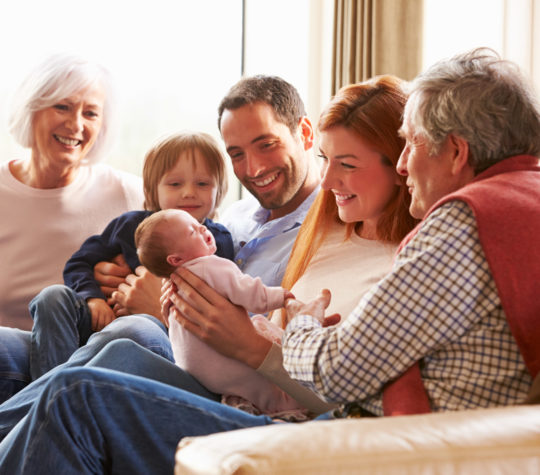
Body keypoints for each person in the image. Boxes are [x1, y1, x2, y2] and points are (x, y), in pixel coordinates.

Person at [0, 73, 423, 473]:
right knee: (85, 352)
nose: (329, 178)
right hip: (211, 362)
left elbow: (346, 390)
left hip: (259, 395)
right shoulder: (268, 223)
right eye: (236, 153)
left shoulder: (394, 261)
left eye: (346, 163)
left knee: (101, 367)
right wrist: (115, 276)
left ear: (402, 164)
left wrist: (190, 322)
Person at [93, 75, 321, 313]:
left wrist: (159, 310)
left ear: (305, 133)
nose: (254, 169)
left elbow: (281, 344)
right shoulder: (234, 218)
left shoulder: (326, 234)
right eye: (237, 154)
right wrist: (105, 275)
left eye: (267, 145)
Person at [28, 132, 234, 380]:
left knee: (133, 329)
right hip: (99, 319)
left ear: (219, 190)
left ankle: (55, 396)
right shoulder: (130, 226)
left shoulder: (218, 240)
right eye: (175, 184)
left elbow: (220, 298)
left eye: (203, 184)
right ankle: (48, 384)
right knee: (51, 296)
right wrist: (93, 299)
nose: (189, 193)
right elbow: (79, 263)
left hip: (153, 337)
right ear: (152, 189)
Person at [0, 53, 144, 400]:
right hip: (11, 356)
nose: (76, 124)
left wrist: (131, 280)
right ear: (32, 109)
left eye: (90, 113)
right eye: (62, 107)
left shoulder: (127, 193)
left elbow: (173, 266)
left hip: (89, 358)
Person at [136, 209, 306, 417]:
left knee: (127, 335)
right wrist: (282, 296)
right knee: (258, 374)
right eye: (192, 232)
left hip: (193, 371)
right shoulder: (212, 267)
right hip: (226, 366)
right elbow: (252, 295)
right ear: (175, 259)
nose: (203, 228)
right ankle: (281, 407)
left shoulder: (173, 285)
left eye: (199, 224)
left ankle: (240, 403)